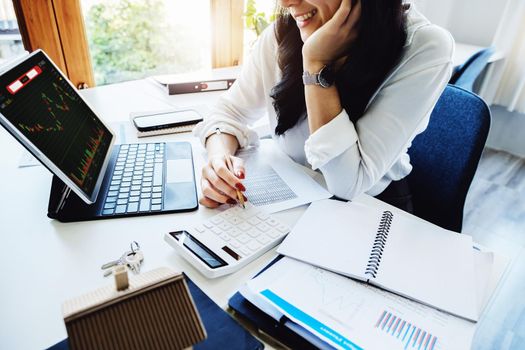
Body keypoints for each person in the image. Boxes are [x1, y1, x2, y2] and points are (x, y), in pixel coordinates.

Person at [194, 0, 453, 213]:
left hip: (368, 208)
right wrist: (218, 161)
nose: (286, 3)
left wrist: (315, 65)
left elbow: (347, 183)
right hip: (291, 192)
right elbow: (229, 111)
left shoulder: (425, 46)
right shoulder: (282, 33)